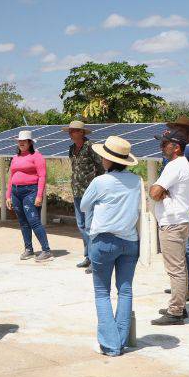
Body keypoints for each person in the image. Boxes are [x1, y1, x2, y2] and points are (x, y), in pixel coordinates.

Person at [81, 136, 142, 356]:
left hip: (104, 241)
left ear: (108, 160)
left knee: (102, 292)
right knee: (125, 291)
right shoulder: (137, 181)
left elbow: (84, 204)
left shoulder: (100, 182)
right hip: (130, 241)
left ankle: (110, 345)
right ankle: (120, 340)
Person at [150, 128, 189, 326]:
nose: (161, 146)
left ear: (176, 147)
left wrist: (157, 190)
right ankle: (180, 306)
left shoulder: (174, 166)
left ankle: (175, 311)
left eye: (165, 143)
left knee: (175, 269)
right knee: (179, 267)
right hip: (179, 221)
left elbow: (154, 192)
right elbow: (160, 192)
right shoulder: (180, 164)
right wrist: (160, 192)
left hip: (172, 224)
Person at [165, 116, 189, 301]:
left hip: (188, 205)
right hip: (183, 204)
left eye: (179, 130)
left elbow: (171, 165)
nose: (175, 133)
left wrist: (169, 147)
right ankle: (183, 283)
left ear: (188, 134)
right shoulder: (185, 148)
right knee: (183, 246)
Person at [65, 121, 104, 272]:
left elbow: (100, 167)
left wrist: (98, 187)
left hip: (90, 193)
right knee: (81, 226)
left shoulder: (91, 147)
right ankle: (88, 256)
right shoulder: (71, 149)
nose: (71, 133)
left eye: (74, 131)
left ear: (82, 132)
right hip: (77, 192)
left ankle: (95, 260)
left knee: (90, 227)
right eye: (70, 131)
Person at [7, 130, 52, 262]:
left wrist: (39, 195)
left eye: (24, 141)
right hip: (15, 192)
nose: (21, 143)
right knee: (23, 222)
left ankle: (46, 250)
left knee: (33, 221)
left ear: (30, 143)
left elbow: (42, 176)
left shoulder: (37, 156)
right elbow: (11, 177)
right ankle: (29, 250)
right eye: (19, 141)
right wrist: (8, 195)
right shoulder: (15, 158)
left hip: (30, 191)